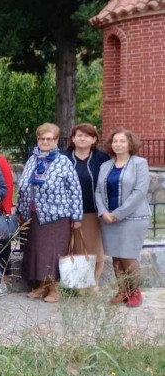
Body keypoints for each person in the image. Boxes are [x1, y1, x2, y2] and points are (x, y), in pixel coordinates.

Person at [16, 123, 82, 304]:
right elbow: (23, 188)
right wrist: (20, 211)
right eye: (42, 138)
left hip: (57, 215)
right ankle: (41, 286)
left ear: (56, 141)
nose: (45, 141)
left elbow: (75, 190)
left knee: (54, 252)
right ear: (37, 139)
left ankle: (55, 288)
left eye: (49, 139)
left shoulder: (63, 162)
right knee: (37, 251)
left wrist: (77, 217)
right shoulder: (32, 160)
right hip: (34, 215)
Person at [96, 129, 150, 308]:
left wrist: (118, 213)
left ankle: (135, 292)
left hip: (132, 218)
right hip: (108, 219)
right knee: (116, 258)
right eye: (115, 141)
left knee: (128, 256)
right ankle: (123, 291)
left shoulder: (139, 164)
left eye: (122, 141)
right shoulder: (106, 166)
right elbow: (98, 191)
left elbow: (140, 192)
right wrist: (104, 212)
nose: (118, 144)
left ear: (130, 144)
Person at [63, 123, 111, 286]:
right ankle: (75, 284)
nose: (82, 138)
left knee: (95, 250)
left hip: (94, 211)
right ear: (73, 139)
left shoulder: (102, 158)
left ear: (94, 139)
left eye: (86, 135)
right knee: (75, 249)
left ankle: (93, 283)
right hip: (67, 212)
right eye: (79, 135)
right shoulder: (64, 158)